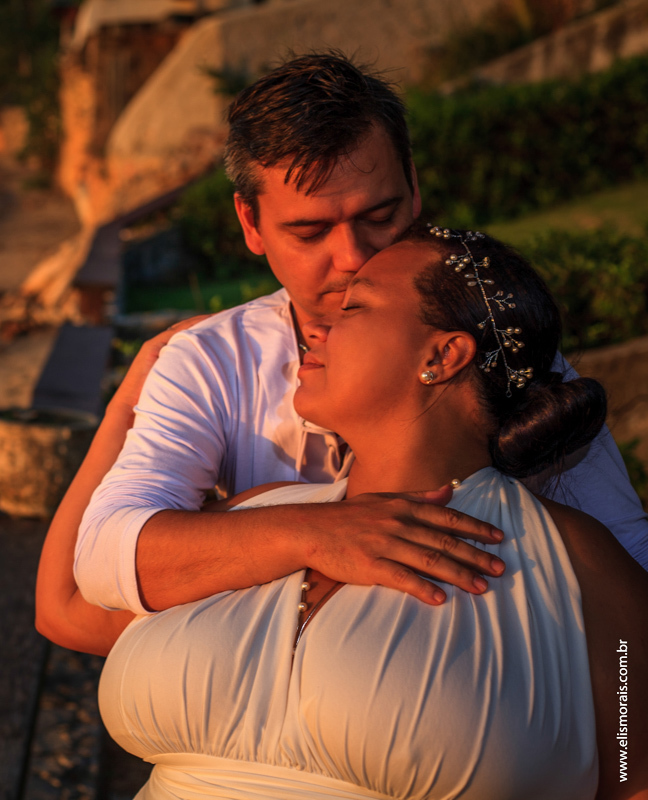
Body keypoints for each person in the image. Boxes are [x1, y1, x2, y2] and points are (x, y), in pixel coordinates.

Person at [35, 53, 648, 654]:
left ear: (413, 187)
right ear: (250, 223)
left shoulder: (493, 348)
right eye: (309, 232)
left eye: (380, 215)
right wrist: (315, 531)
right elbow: (104, 557)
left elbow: (630, 575)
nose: (353, 257)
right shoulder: (213, 363)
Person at [102, 226, 648, 798]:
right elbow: (71, 603)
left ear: (442, 355)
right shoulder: (255, 515)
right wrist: (125, 407)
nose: (316, 327)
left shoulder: (578, 563)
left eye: (354, 306)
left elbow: (633, 774)